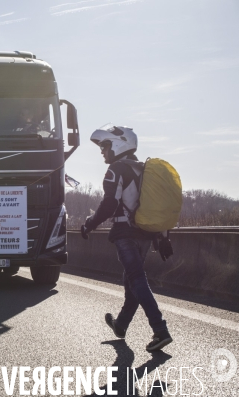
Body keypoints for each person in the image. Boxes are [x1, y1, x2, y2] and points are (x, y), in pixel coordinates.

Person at [82, 123, 172, 352]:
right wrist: (163, 236)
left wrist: (89, 224)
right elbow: (159, 206)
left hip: (126, 234)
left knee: (137, 279)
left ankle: (160, 330)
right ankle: (121, 325)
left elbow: (110, 204)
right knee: (132, 281)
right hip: (146, 233)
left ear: (119, 144)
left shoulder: (117, 169)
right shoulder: (145, 169)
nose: (102, 151)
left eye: (105, 146)